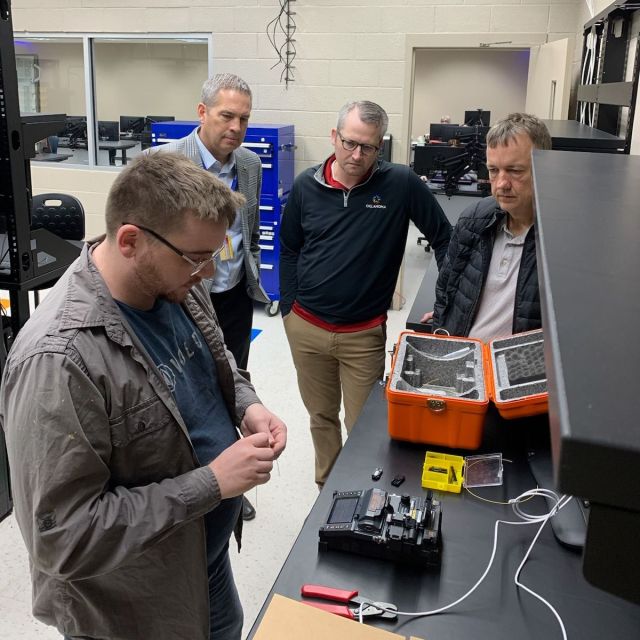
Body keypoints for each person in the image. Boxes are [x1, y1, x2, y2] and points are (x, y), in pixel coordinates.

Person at [0, 153, 287, 640]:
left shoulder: (176, 282)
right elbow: (62, 540)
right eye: (198, 258)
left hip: (201, 565)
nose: (208, 274)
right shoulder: (59, 361)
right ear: (131, 240)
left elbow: (215, 362)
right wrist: (212, 484)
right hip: (132, 611)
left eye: (213, 256)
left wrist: (247, 403)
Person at [280, 100, 452, 487]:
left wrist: (446, 301)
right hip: (305, 327)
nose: (357, 155)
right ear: (334, 137)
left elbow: (445, 239)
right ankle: (326, 488)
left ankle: (356, 491)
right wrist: (288, 306)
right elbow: (289, 247)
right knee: (320, 416)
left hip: (363, 335)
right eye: (349, 142)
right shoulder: (307, 185)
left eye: (368, 147)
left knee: (363, 426)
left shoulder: (401, 184)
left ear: (380, 147)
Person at [151, 73, 266, 521]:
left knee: (232, 382)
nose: (236, 127)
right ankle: (193, 485)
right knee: (184, 388)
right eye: (226, 116)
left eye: (244, 119)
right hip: (183, 296)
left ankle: (232, 483)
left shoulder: (250, 165)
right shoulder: (165, 163)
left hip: (233, 294)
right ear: (202, 113)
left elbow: (245, 231)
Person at [424, 112, 552, 341]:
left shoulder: (559, 240)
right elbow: (445, 290)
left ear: (544, 168)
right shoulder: (473, 220)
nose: (501, 183)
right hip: (464, 359)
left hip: (516, 372)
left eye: (515, 171)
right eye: (494, 170)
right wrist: (445, 324)